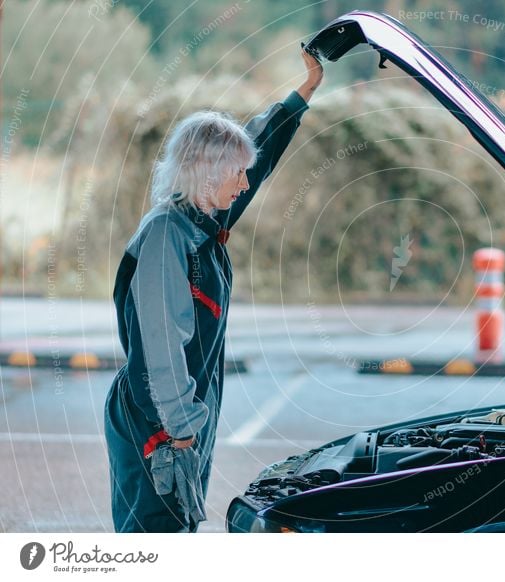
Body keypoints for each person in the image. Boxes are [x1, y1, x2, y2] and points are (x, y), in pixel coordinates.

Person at [103, 48, 323, 532]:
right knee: (154, 542)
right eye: (236, 173)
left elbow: (258, 153)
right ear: (209, 173)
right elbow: (160, 348)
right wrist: (181, 432)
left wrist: (303, 92)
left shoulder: (201, 223)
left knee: (176, 533)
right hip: (157, 421)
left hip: (178, 417)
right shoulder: (166, 236)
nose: (245, 184)